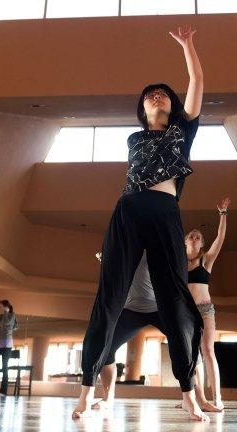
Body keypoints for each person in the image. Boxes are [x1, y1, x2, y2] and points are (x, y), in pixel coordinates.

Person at [73, 24, 206, 421]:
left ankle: (187, 391)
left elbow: (197, 80)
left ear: (173, 105)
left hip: (165, 211)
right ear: (142, 109)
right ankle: (84, 390)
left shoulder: (183, 129)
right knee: (108, 297)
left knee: (175, 299)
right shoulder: (134, 138)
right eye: (149, 95)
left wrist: (188, 45)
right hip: (129, 210)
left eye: (162, 92)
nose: (156, 95)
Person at [91, 252, 221, 413]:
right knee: (106, 348)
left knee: (189, 347)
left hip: (160, 308)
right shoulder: (125, 248)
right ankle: (108, 398)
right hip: (132, 309)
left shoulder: (158, 247)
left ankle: (198, 400)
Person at [183, 197, 230, 410]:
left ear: (202, 243)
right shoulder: (178, 263)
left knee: (208, 351)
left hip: (204, 310)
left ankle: (217, 397)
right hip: (185, 312)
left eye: (198, 236)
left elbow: (220, 238)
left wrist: (222, 214)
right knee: (191, 357)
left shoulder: (206, 260)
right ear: (185, 241)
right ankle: (195, 398)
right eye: (191, 236)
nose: (195, 237)